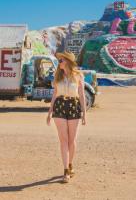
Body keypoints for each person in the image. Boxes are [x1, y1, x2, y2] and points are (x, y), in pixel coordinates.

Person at [46, 51, 86, 183]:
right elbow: (55, 94)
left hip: (74, 106)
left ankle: (70, 164)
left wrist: (84, 113)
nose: (60, 62)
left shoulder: (78, 75)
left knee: (71, 139)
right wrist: (49, 111)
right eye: (59, 60)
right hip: (59, 106)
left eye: (61, 60)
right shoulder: (57, 76)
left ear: (68, 61)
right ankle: (65, 170)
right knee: (63, 140)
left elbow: (81, 95)